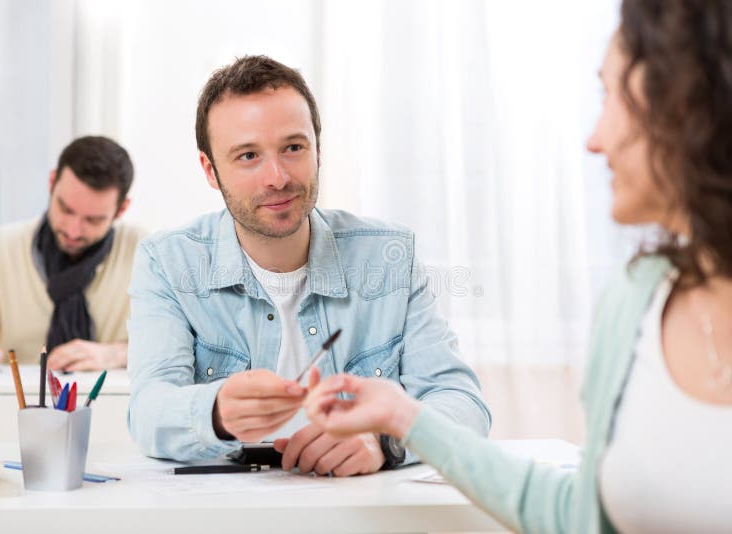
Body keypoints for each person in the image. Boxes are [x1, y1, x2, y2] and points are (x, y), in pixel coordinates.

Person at [305, 0, 732, 531]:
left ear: (685, 105)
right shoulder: (638, 300)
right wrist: (401, 417)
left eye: (609, 97)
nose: (594, 140)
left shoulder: (388, 253)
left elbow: (463, 398)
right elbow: (578, 515)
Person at [127, 56, 491, 476]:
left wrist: (384, 440)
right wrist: (216, 413)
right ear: (211, 170)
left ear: (319, 150)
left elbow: (463, 404)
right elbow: (148, 412)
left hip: (360, 501)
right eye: (248, 155)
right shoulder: (167, 262)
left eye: (293, 148)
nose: (277, 177)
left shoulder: (390, 255)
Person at [0, 136, 146, 371]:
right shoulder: (0, 248)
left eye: (93, 220)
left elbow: (178, 345)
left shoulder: (145, 253)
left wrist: (116, 354)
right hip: (19, 394)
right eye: (65, 209)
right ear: (52, 183)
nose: (73, 230)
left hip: (113, 394)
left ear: (121, 209)